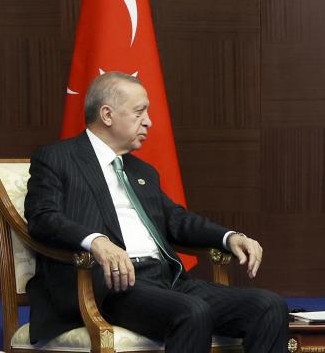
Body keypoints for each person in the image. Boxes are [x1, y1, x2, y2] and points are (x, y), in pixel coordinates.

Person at [24, 72, 288, 352]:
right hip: (108, 286)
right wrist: (96, 241)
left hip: (165, 279)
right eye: (140, 112)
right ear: (107, 114)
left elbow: (176, 219)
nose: (149, 121)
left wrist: (229, 237)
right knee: (192, 311)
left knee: (268, 306)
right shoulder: (57, 158)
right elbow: (42, 217)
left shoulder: (141, 171)